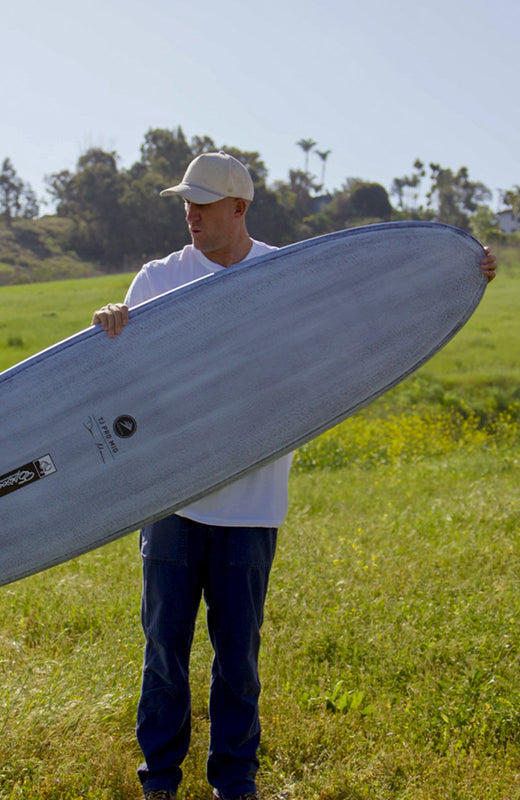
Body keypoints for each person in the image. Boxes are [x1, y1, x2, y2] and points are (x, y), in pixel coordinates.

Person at [92, 152, 498, 800]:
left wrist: (454, 271)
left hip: (251, 508)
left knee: (238, 661)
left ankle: (235, 783)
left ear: (239, 208)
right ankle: (159, 781)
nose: (191, 213)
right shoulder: (159, 279)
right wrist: (112, 323)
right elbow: (116, 378)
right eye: (186, 202)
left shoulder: (287, 277)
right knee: (164, 653)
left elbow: (369, 311)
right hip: (171, 503)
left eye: (203, 202)